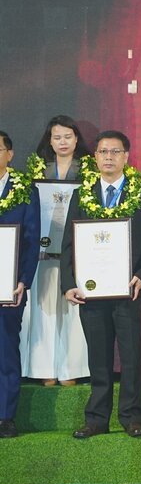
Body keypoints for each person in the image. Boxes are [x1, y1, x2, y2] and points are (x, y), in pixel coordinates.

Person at [61, 131, 141, 438]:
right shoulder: (82, 194)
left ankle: (132, 417)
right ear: (95, 157)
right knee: (98, 356)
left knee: (132, 355)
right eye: (103, 151)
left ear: (126, 157)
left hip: (128, 289)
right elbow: (68, 244)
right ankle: (96, 419)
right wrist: (68, 284)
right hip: (90, 291)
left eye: (115, 152)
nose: (109, 157)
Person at [21, 115, 89, 387]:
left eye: (67, 137)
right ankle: (45, 370)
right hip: (43, 251)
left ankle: (71, 369)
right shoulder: (37, 171)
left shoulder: (88, 170)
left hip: (76, 251)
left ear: (76, 139)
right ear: (49, 141)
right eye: (57, 137)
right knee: (44, 311)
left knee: (73, 312)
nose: (62, 142)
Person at [0, 131, 40, 438]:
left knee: (5, 350)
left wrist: (24, 281)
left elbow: (31, 238)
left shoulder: (25, 189)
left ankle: (5, 416)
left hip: (9, 286)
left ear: (10, 154)